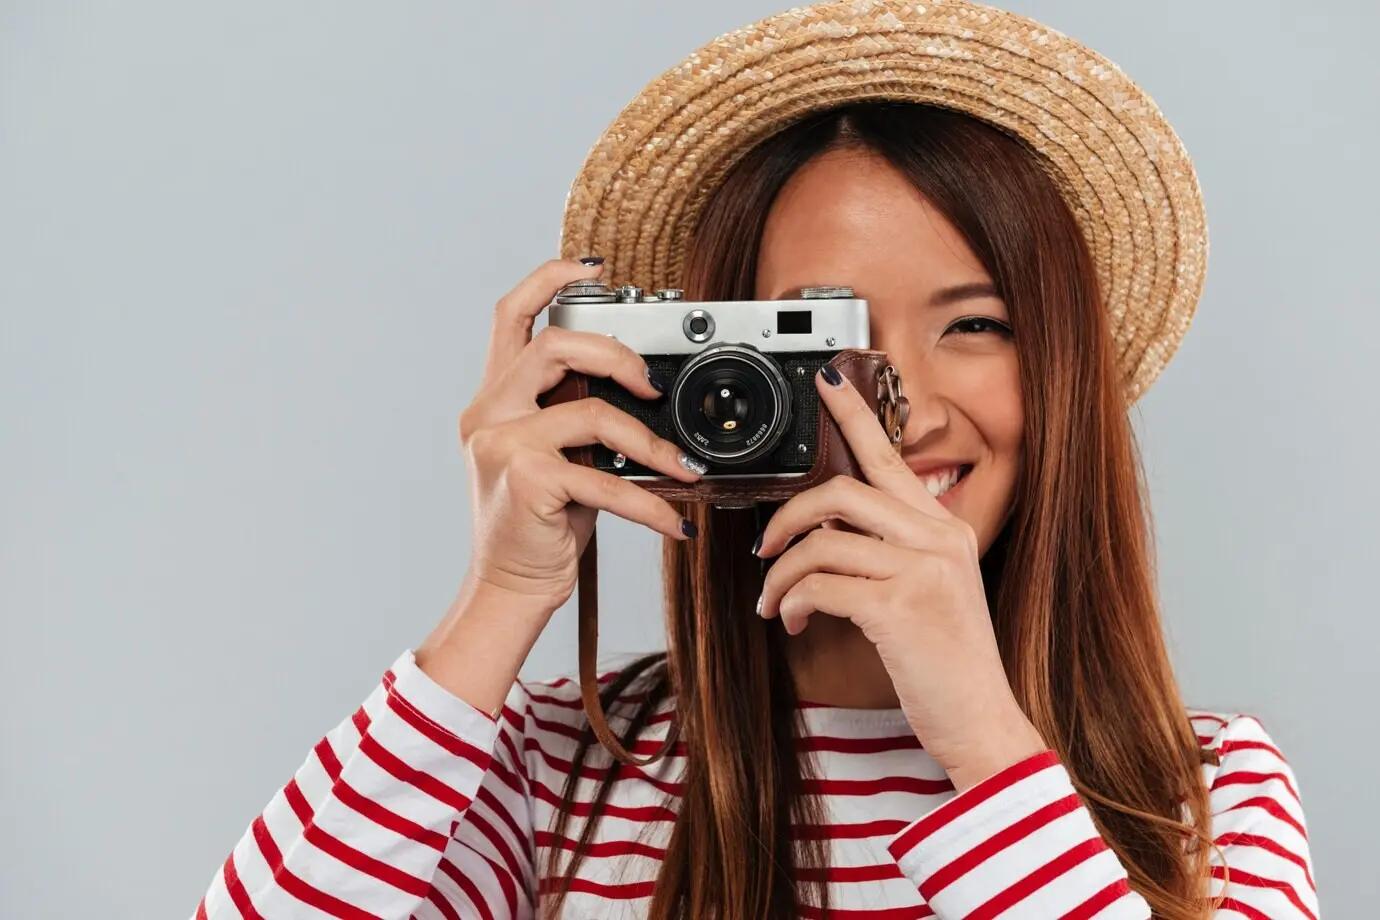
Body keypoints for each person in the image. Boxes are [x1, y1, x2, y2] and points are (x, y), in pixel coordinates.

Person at [191, 3, 1317, 919]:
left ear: (1060, 368)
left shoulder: (1206, 796)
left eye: (975, 324)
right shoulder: (553, 770)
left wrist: (979, 729)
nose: (899, 401)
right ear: (713, 378)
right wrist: (504, 593)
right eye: (821, 333)